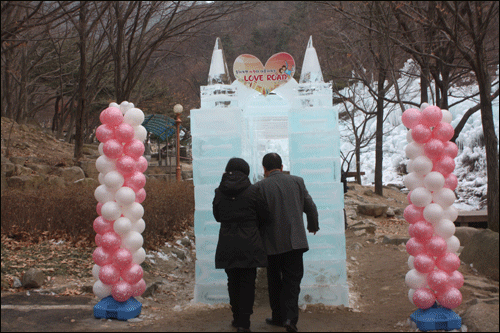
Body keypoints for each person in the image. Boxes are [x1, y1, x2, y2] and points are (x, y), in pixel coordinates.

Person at [255, 153, 319, 333]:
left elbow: (258, 215)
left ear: (264, 169)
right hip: (295, 242)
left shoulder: (260, 186)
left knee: (274, 280)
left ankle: (277, 317)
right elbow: (310, 207)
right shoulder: (297, 181)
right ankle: (290, 319)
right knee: (292, 281)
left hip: (271, 242)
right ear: (282, 167)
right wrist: (313, 226)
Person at [213, 157, 270, 332]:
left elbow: (217, 216)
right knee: (247, 282)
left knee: (232, 281)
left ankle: (236, 317)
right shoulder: (254, 191)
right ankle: (244, 323)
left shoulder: (219, 191)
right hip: (249, 242)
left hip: (227, 241)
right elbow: (265, 215)